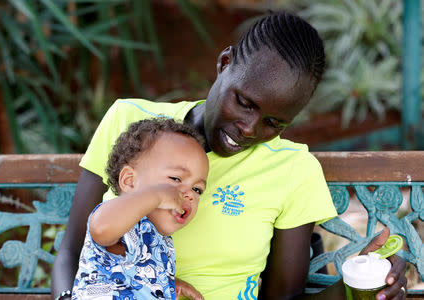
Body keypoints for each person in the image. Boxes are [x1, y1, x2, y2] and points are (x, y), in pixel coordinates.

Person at [52, 11, 407, 300]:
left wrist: (358, 282)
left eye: (274, 122)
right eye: (245, 102)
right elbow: (72, 250)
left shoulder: (293, 170)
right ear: (225, 63)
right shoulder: (127, 121)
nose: (250, 128)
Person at [71, 118, 208, 300]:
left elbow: (133, 276)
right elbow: (101, 228)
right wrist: (157, 195)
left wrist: (166, 283)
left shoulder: (160, 240)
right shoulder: (122, 220)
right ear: (129, 181)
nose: (189, 194)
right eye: (175, 179)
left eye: (197, 189)